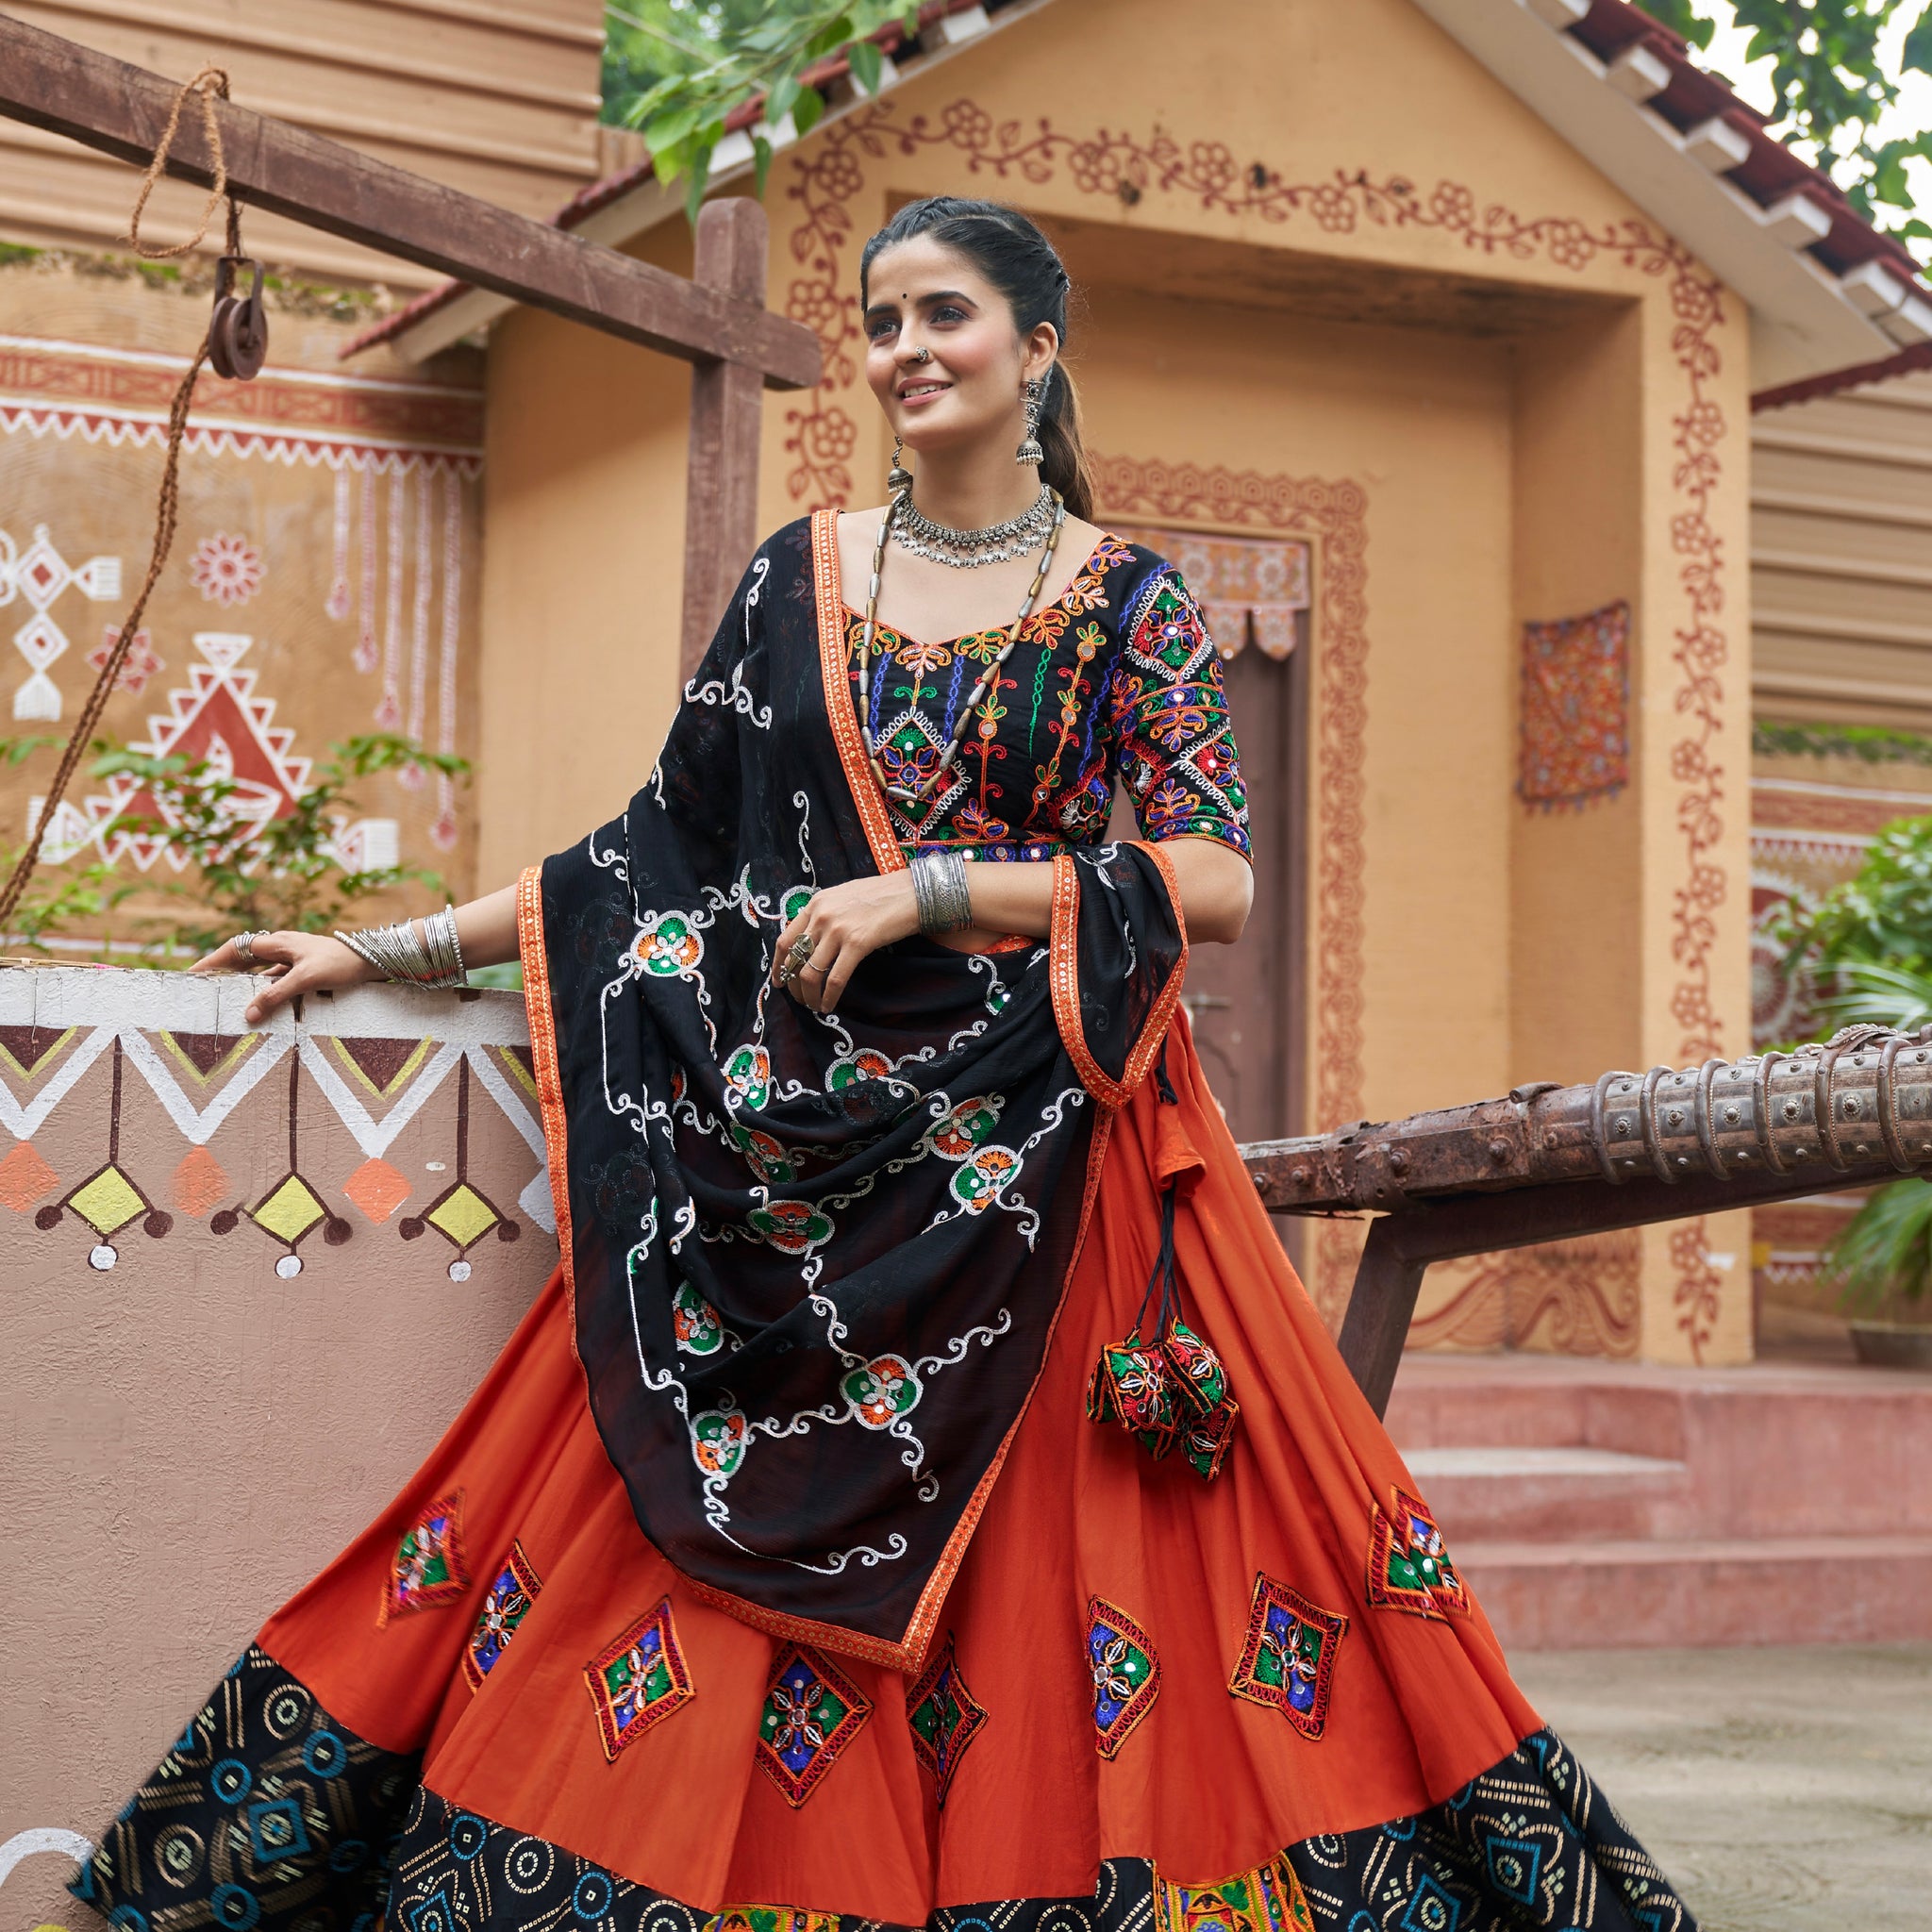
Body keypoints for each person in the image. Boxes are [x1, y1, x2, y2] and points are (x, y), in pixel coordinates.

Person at [73, 197, 1692, 1932]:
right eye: (882, 322)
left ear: (1039, 349)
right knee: (633, 1509)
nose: (907, 349)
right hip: (794, 1166)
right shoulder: (800, 575)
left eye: (948, 315)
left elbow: (1215, 874)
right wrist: (379, 949)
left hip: (1055, 1151)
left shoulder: (1131, 599)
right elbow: (654, 854)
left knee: (1101, 1574)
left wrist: (934, 886)